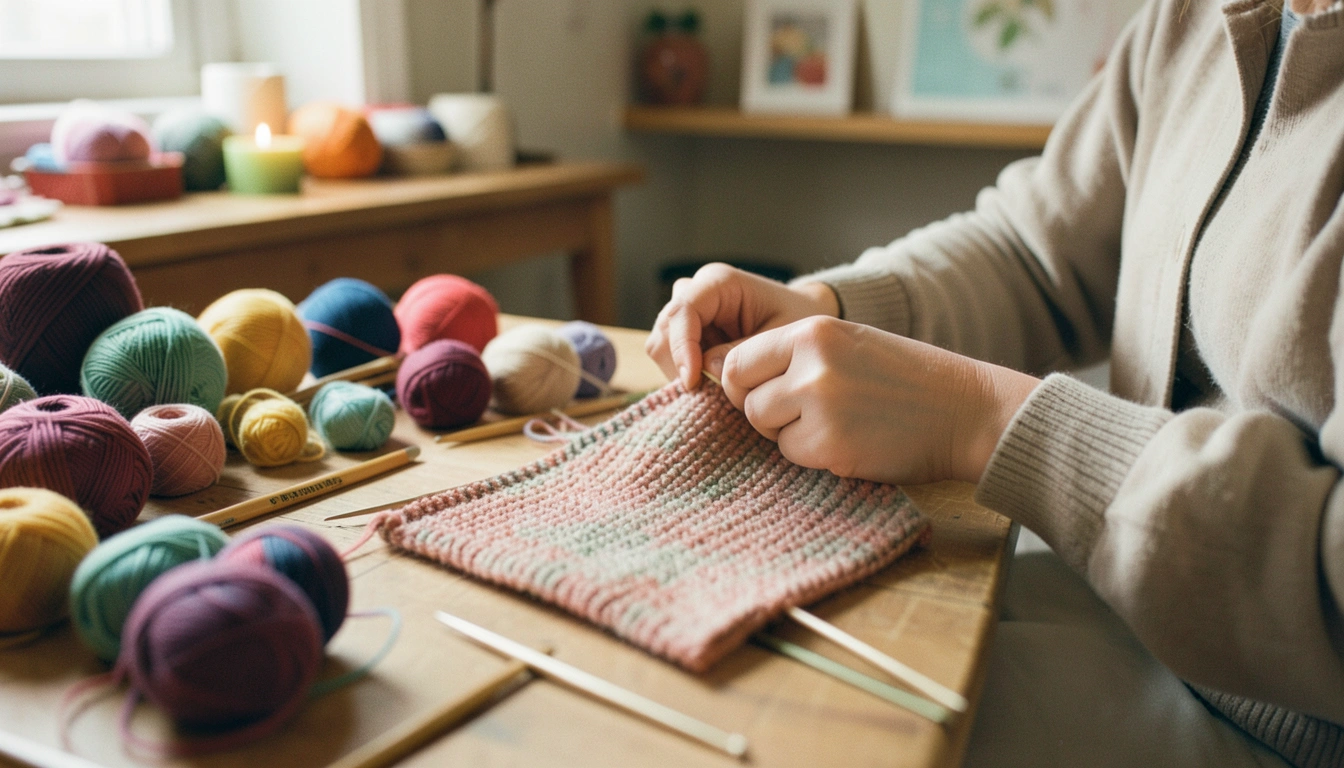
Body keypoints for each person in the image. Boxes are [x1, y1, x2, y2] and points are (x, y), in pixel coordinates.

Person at [646, 0, 1344, 765]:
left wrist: (983, 420)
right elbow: (1035, 247)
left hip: (1287, 722)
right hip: (1114, 600)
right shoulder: (1192, 18)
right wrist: (832, 306)